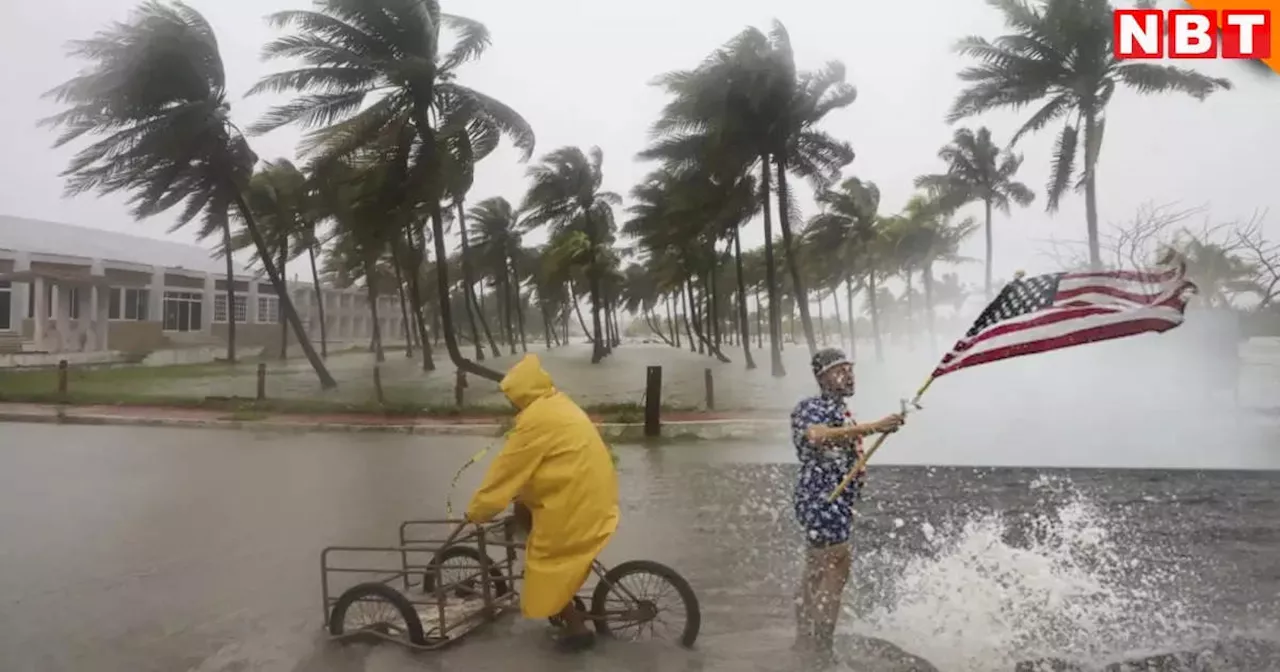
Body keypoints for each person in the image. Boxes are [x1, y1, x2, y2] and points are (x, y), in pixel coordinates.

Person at [465, 354, 619, 653]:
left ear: (522, 393)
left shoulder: (536, 421)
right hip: (594, 493)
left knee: (544, 566)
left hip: (575, 503)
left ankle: (576, 629)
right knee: (524, 509)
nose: (511, 404)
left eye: (512, 398)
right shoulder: (558, 404)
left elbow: (505, 471)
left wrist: (476, 512)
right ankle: (565, 600)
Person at [791, 347, 904, 659]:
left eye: (850, 369)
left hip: (832, 501)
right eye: (839, 370)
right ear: (822, 377)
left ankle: (805, 644)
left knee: (815, 571)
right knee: (835, 567)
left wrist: (878, 429)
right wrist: (873, 427)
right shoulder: (812, 407)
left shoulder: (839, 411)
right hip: (822, 498)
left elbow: (839, 439)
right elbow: (816, 435)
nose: (849, 375)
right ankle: (822, 651)